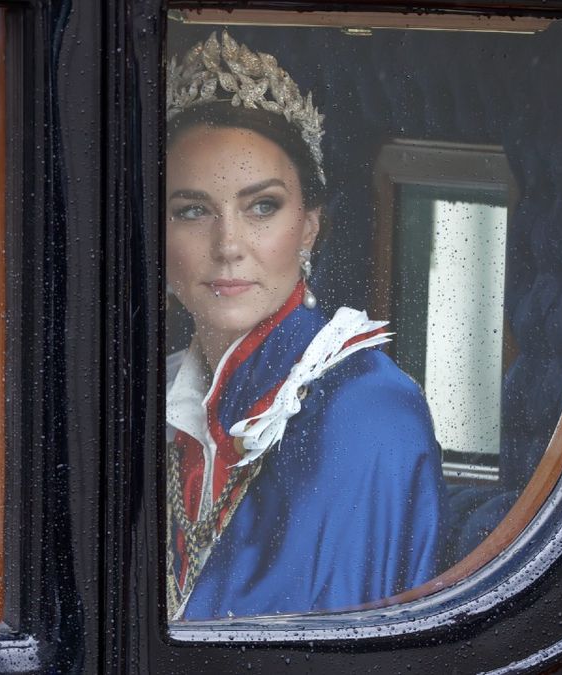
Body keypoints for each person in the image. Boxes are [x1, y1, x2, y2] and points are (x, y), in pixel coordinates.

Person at [164, 32, 443, 620]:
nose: (228, 245)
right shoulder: (152, 401)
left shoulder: (368, 412)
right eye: (193, 211)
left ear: (309, 227)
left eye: (261, 206)